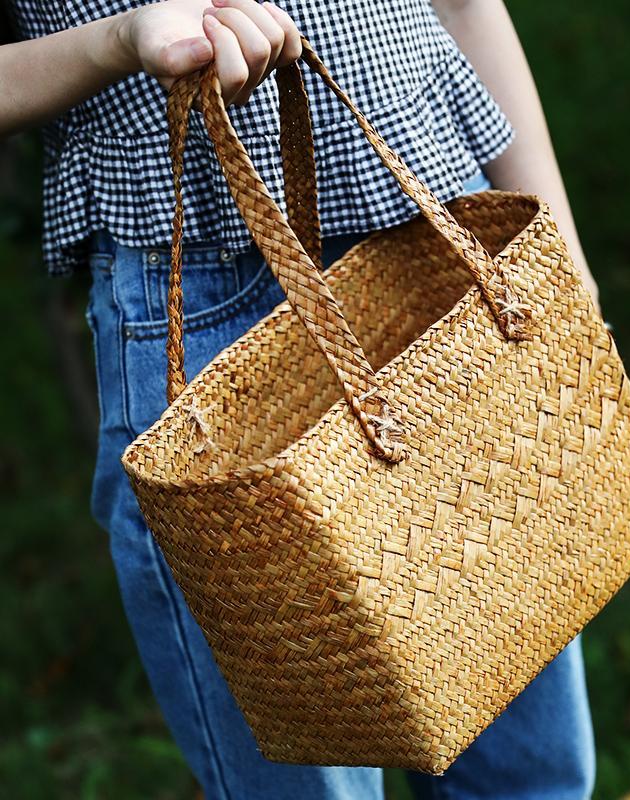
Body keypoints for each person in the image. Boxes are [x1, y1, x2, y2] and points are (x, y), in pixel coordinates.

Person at [2, 1, 597, 797]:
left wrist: (562, 261)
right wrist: (119, 40)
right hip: (210, 287)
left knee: (532, 778)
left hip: (440, 242)